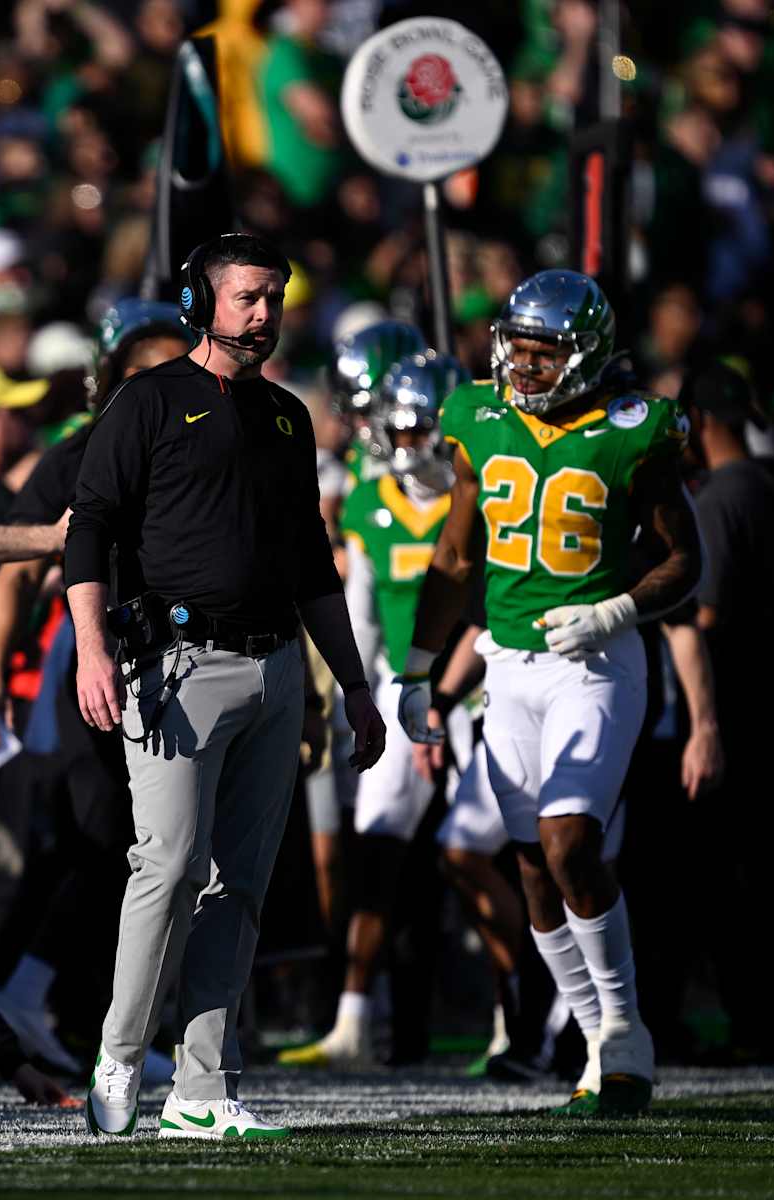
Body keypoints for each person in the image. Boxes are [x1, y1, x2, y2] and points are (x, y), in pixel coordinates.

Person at [65, 234, 386, 1140]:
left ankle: (203, 1086)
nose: (264, 314)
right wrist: (92, 648)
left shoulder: (288, 415)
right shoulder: (148, 399)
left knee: (239, 883)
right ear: (197, 302)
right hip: (176, 667)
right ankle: (120, 1055)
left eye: (274, 297)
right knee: (164, 866)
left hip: (277, 665)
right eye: (247, 296)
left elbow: (314, 565)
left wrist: (351, 685)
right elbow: (88, 531)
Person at [398, 270, 701, 1117]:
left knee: (570, 841)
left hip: (596, 665)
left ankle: (625, 1032)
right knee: (531, 866)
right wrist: (420, 670)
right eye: (518, 349)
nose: (525, 366)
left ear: (589, 353)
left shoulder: (634, 427)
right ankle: (592, 1032)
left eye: (544, 352)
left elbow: (686, 561)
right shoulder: (477, 421)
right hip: (510, 667)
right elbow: (457, 559)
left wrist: (614, 611)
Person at [0, 297, 193, 1076]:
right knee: (118, 840)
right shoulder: (77, 455)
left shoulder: (217, 442)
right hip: (100, 661)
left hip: (199, 660)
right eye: (145, 375)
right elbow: (19, 574)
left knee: (166, 849)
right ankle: (45, 999)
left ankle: (87, 1011)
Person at [279, 351, 467, 1069]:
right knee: (383, 850)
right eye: (401, 429)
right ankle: (358, 1013)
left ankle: (535, 1022)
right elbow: (358, 618)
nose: (404, 443)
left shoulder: (478, 493)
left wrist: (447, 696)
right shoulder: (368, 501)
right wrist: (353, 692)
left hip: (479, 688)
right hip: (402, 685)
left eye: (420, 430)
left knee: (488, 854)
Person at [679, 361, 774, 1061]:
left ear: (701, 424)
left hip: (744, 715)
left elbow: (704, 612)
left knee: (730, 877)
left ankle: (761, 1019)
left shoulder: (718, 502)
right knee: (770, 872)